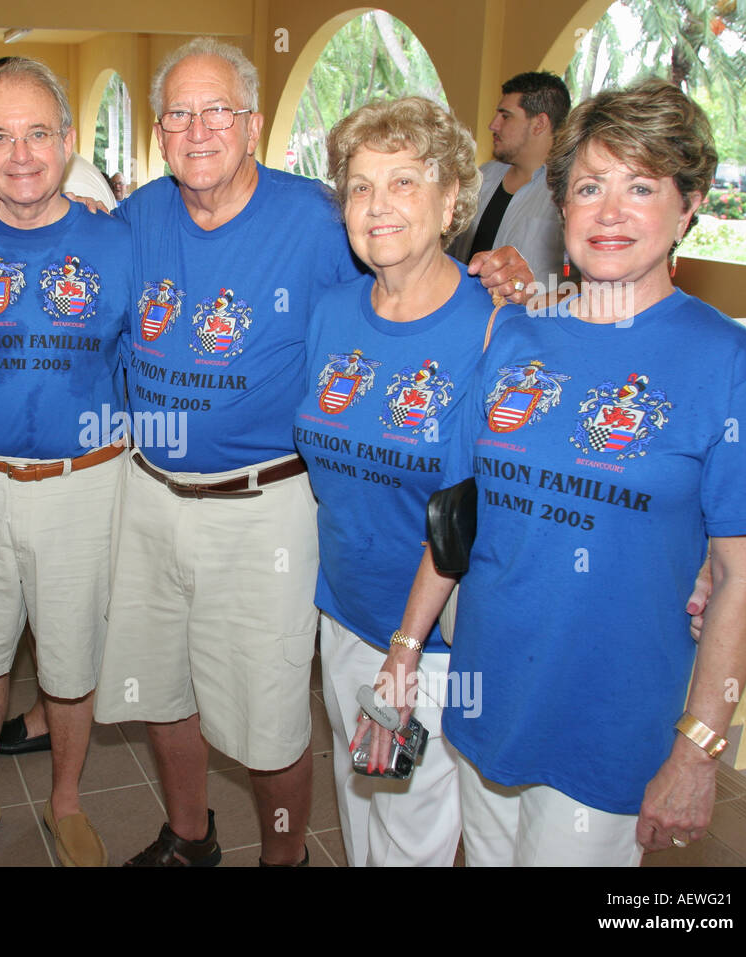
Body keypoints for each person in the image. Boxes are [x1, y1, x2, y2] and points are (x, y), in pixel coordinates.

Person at [0, 37, 531, 866]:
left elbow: (406, 269)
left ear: (253, 125)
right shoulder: (135, 219)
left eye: (218, 110)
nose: (198, 129)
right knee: (160, 691)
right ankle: (189, 834)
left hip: (265, 504)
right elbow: (42, 229)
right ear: (159, 131)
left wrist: (494, 274)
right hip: (145, 491)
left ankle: (283, 856)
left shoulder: (322, 219)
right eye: (178, 113)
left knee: (270, 715)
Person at [376, 79, 746, 866]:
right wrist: (404, 647)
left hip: (609, 722)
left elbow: (741, 577)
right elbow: (462, 512)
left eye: (643, 187)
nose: (611, 212)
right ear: (563, 207)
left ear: (688, 206)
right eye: (590, 187)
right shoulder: (516, 334)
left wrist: (698, 751)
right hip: (489, 694)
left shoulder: (731, 366)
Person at [0, 57, 132, 868]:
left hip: (87, 481)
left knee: (72, 658)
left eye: (38, 133)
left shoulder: (120, 240)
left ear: (69, 142)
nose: (20, 154)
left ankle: (68, 800)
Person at [294, 96, 517, 866]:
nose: (378, 205)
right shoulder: (332, 312)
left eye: (404, 183)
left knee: (412, 833)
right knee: (366, 811)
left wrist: (406, 647)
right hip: (346, 614)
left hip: (430, 641)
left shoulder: (494, 325)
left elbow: (473, 511)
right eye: (360, 186)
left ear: (452, 199)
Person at [448, 72, 569, 287]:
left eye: (505, 116)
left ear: (539, 123)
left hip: (528, 318)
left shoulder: (566, 194)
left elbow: (582, 287)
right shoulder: (483, 176)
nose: (493, 125)